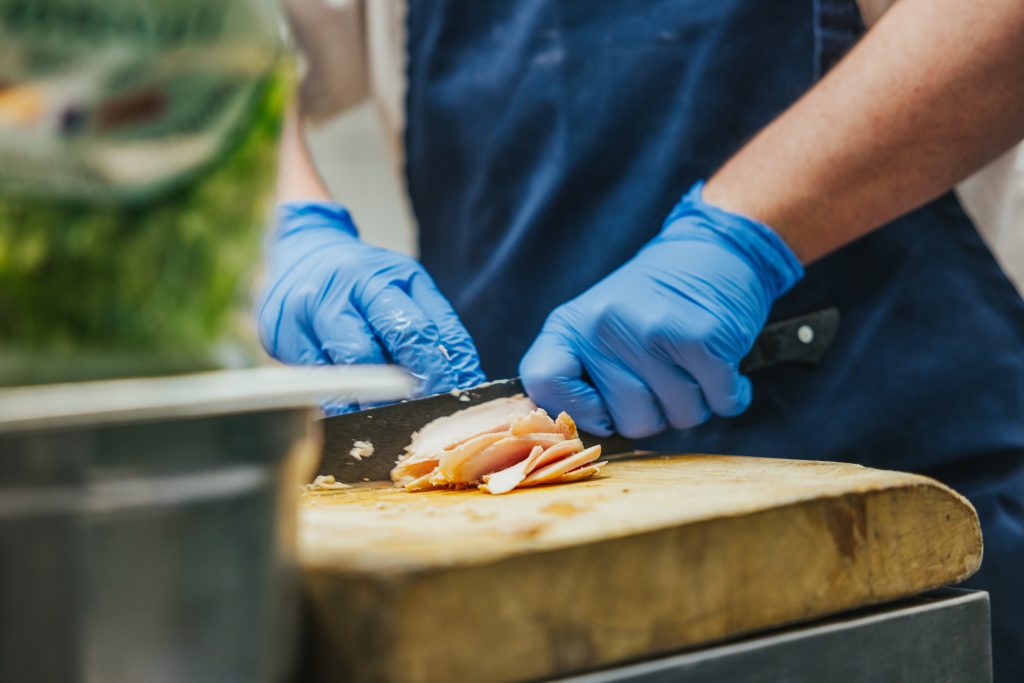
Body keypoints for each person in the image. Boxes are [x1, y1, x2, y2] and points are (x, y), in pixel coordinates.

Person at [260, 0, 1024, 678]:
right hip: (506, 565)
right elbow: (195, 46)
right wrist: (282, 223)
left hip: (912, 491)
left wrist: (746, 235)